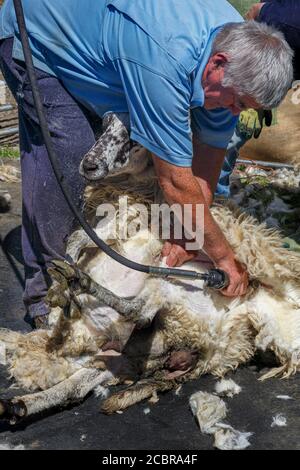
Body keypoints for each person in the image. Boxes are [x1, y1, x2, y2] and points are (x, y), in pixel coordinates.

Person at [0, 0, 293, 327]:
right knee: (68, 146)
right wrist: (225, 258)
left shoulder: (233, 55)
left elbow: (208, 159)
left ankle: (120, 124)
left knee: (159, 140)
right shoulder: (167, 59)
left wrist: (187, 234)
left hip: (112, 45)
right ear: (218, 64)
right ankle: (44, 291)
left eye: (246, 107)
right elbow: (177, 183)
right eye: (238, 102)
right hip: (37, 36)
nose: (236, 112)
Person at [217, 0, 300, 197]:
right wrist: (250, 86)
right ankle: (213, 193)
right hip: (275, 48)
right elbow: (256, 13)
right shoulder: (290, 20)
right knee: (234, 120)